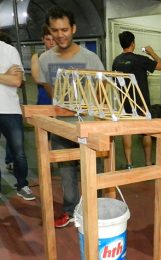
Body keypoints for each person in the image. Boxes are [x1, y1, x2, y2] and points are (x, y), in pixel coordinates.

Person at [39, 6, 105, 227]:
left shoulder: (90, 58)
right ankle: (70, 211)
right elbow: (50, 89)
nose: (60, 34)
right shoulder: (45, 59)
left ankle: (96, 212)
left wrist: (93, 118)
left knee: (93, 173)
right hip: (61, 129)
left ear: (73, 29)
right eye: (55, 30)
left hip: (88, 129)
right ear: (50, 31)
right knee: (67, 175)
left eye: (65, 29)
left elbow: (101, 90)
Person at [112, 31, 161, 169]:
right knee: (146, 132)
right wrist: (151, 52)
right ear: (133, 43)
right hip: (141, 103)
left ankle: (129, 163)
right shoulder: (140, 59)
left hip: (125, 102)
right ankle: (147, 162)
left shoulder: (116, 61)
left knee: (127, 132)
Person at [0, 31, 36, 200]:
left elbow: (16, 81)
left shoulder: (9, 51)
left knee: (19, 152)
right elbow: (11, 79)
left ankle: (22, 185)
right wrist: (5, 75)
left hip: (10, 110)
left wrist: (8, 76)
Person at [31, 24, 55, 105]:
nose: (51, 43)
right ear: (43, 39)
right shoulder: (37, 57)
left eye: (54, 39)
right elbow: (37, 78)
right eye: (48, 39)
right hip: (44, 98)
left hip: (63, 98)